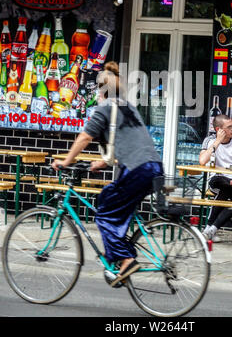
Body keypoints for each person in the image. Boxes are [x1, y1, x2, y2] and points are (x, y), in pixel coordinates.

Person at [52, 61, 163, 287]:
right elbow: (125, 142)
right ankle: (120, 258)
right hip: (153, 167)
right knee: (108, 199)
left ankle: (126, 260)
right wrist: (101, 163)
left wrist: (66, 160)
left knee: (104, 215)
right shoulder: (128, 107)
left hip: (137, 169)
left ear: (100, 91)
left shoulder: (104, 108)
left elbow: (84, 138)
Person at [199, 114, 232, 242]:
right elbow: (202, 161)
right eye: (229, 127)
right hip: (217, 179)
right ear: (219, 130)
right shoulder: (209, 141)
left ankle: (210, 230)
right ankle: (211, 229)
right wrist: (217, 141)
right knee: (226, 186)